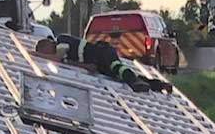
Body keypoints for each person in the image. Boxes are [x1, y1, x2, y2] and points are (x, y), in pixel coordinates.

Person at [35, 35, 172, 93]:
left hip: (101, 52)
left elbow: (57, 58)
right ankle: (158, 85)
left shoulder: (61, 40)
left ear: (48, 43)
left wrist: (36, 55)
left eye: (44, 49)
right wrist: (87, 67)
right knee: (121, 76)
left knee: (117, 67)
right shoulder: (64, 54)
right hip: (97, 63)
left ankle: (138, 84)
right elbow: (68, 61)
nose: (46, 52)